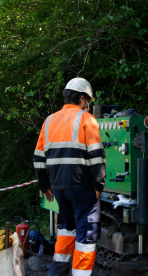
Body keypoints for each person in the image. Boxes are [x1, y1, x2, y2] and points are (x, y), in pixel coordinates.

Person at [33, 77, 106, 276]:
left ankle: (56, 273)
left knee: (66, 229)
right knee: (87, 234)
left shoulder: (49, 121)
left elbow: (38, 157)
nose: (88, 105)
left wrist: (44, 185)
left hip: (58, 188)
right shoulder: (85, 119)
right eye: (88, 101)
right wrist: (99, 185)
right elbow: (96, 155)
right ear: (82, 99)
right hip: (81, 187)